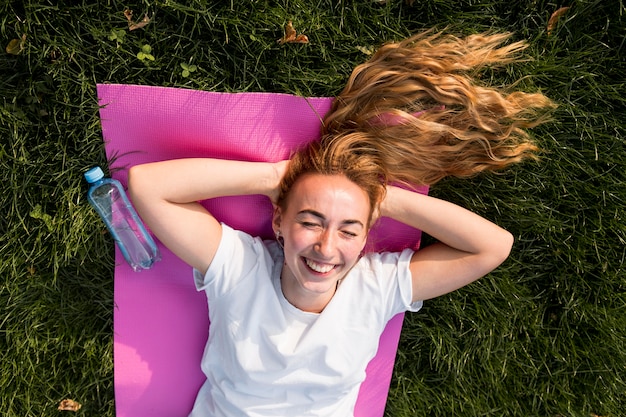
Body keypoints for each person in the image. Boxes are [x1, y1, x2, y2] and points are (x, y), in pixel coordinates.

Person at [128, 30, 554, 416]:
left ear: (367, 234)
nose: (327, 248)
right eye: (311, 222)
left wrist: (377, 199)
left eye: (349, 229)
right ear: (279, 219)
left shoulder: (376, 287)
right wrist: (273, 177)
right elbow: (147, 186)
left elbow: (493, 246)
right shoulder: (240, 267)